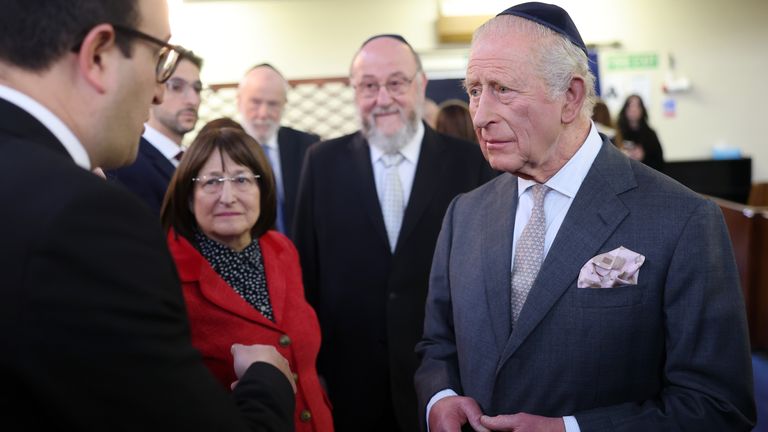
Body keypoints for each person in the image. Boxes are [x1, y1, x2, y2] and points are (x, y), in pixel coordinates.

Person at [415, 3, 755, 432]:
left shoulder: (683, 219)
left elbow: (717, 406)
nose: (480, 115)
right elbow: (437, 343)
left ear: (571, 97)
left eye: (502, 88)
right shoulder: (465, 213)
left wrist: (571, 429)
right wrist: (440, 398)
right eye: (475, 89)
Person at [0, 0, 296, 430]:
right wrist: (268, 380)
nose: (159, 92)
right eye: (159, 58)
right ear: (99, 54)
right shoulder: (87, 219)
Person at [293, 34, 496, 432]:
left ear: (419, 86)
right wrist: (310, 369)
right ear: (354, 91)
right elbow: (307, 276)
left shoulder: (470, 165)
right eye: (368, 85)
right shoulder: (321, 163)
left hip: (445, 387)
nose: (382, 98)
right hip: (348, 383)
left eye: (396, 83)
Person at [160, 124, 334, 432]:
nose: (228, 197)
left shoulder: (281, 250)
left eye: (242, 180)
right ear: (189, 197)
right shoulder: (166, 272)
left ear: (263, 189)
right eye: (212, 182)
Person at [107, 50, 204, 215]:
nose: (192, 100)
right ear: (152, 88)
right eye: (176, 87)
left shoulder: (197, 159)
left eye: (197, 88)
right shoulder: (128, 162)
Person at [237, 63, 319, 238]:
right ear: (239, 101)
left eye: (273, 104)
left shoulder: (309, 148)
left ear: (284, 104)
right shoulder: (223, 150)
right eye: (255, 102)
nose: (263, 113)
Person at [617, 94, 665, 172]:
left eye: (637, 106)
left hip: (645, 177)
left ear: (642, 110)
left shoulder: (650, 135)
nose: (633, 109)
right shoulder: (617, 133)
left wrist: (644, 157)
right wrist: (621, 156)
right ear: (625, 109)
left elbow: (659, 162)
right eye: (630, 105)